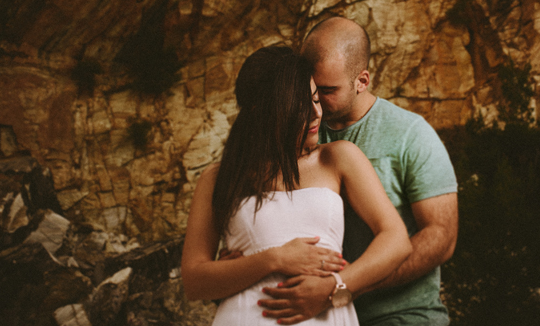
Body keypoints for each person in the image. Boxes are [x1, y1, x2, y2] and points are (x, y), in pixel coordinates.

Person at [181, 45, 412, 325]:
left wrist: (334, 287)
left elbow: (396, 240)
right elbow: (194, 281)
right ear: (262, 112)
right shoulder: (219, 177)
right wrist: (273, 259)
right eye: (299, 106)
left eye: (315, 99)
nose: (315, 113)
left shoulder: (337, 158)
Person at [259, 17, 459, 326]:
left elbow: (441, 237)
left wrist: (345, 286)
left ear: (362, 81)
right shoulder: (298, 133)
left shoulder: (411, 135)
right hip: (314, 317)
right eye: (309, 90)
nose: (315, 103)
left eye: (328, 90)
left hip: (402, 316)